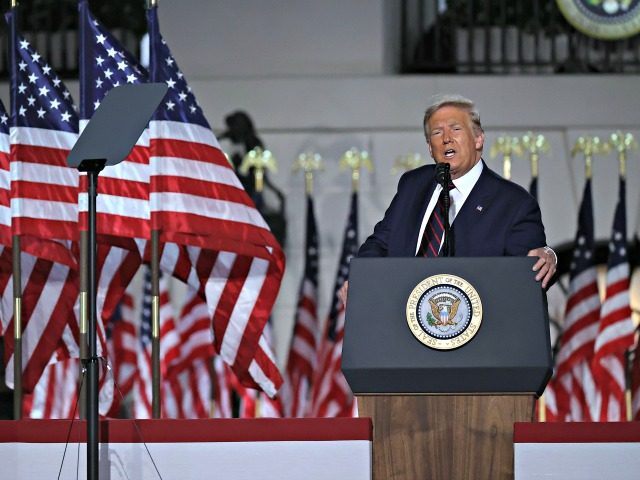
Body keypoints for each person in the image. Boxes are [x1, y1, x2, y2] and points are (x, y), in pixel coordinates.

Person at [340, 93, 556, 303]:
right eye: (436, 132)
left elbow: (529, 274)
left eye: (456, 128)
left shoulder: (514, 203)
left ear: (478, 138)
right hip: (404, 319)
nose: (446, 139)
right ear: (429, 148)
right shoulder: (413, 184)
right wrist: (362, 277)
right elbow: (381, 243)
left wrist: (548, 257)